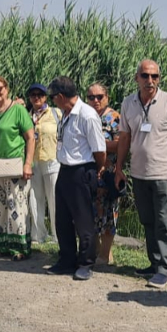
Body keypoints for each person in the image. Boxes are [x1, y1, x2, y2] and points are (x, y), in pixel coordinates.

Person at [114, 59, 167, 289]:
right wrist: (119, 168)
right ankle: (154, 262)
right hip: (139, 174)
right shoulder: (128, 103)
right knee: (147, 220)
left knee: (165, 222)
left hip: (164, 173)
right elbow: (125, 138)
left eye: (155, 76)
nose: (150, 81)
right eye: (145, 76)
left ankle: (165, 268)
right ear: (137, 78)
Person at [47, 77, 106, 280]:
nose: (53, 101)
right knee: (62, 219)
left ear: (61, 96)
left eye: (54, 97)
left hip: (81, 170)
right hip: (64, 169)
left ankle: (85, 262)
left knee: (83, 220)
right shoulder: (66, 113)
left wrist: (95, 171)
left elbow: (99, 150)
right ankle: (66, 259)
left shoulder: (87, 115)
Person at [0, 76, 36, 259]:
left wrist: (28, 163)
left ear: (7, 89)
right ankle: (1, 244)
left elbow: (30, 137)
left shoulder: (18, 110)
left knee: (16, 204)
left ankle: (19, 247)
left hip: (15, 165)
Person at [85, 83, 122, 270]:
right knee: (91, 212)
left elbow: (120, 144)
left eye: (99, 96)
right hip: (88, 172)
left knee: (108, 213)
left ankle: (105, 254)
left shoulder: (114, 117)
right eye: (91, 97)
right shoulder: (85, 115)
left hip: (108, 172)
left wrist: (97, 143)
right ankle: (98, 251)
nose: (95, 101)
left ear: (107, 97)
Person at [25, 83, 61, 246]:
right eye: (33, 95)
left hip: (52, 159)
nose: (36, 97)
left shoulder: (56, 112)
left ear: (46, 97)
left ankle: (57, 235)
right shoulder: (26, 114)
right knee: (34, 198)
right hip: (33, 161)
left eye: (40, 94)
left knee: (54, 198)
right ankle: (38, 234)